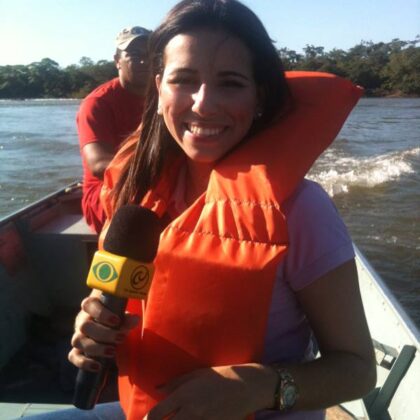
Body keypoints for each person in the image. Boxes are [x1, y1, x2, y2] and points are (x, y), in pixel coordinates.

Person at [28, 0, 376, 419]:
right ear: (159, 89)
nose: (203, 103)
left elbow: (358, 370)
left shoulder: (302, 210)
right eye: (184, 80)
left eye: (230, 83)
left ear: (260, 96)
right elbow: (113, 305)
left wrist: (260, 386)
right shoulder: (136, 193)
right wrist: (92, 329)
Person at [77, 26, 151, 233]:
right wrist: (161, 172)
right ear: (117, 60)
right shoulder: (97, 103)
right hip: (106, 192)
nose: (144, 61)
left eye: (150, 55)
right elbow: (98, 164)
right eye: (134, 55)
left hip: (152, 182)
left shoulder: (164, 96)